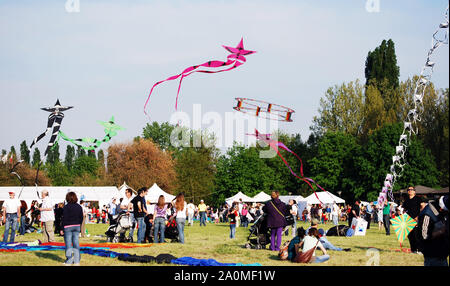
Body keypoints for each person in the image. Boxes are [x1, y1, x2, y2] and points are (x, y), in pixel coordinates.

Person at [417, 197, 449, 266]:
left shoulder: (441, 212)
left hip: (442, 253)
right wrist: (440, 231)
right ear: (441, 209)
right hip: (432, 254)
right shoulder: (427, 214)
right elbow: (423, 236)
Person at [61, 191, 84, 266]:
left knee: (68, 244)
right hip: (76, 226)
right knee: (76, 243)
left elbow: (63, 218)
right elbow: (81, 217)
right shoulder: (79, 207)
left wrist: (61, 228)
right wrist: (79, 225)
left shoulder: (66, 207)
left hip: (68, 226)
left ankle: (69, 260)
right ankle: (77, 261)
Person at [401, 186, 422, 254]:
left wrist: (418, 217)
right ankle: (413, 250)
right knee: (410, 235)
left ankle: (419, 249)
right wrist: (403, 215)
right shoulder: (406, 200)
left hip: (416, 219)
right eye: (408, 190)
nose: (409, 191)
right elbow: (404, 209)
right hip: (408, 220)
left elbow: (423, 207)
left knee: (417, 235)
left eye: (411, 189)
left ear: (414, 191)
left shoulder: (418, 199)